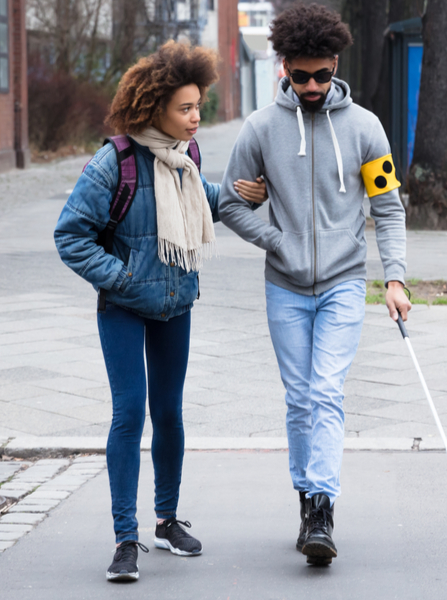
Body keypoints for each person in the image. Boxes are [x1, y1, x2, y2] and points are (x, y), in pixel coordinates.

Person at [54, 41, 268, 583]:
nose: (197, 118)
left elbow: (192, 200)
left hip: (176, 303)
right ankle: (125, 538)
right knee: (130, 414)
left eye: (199, 106)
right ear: (154, 109)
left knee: (168, 413)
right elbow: (70, 236)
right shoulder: (115, 162)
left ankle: (166, 520)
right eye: (186, 109)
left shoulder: (186, 157)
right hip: (124, 306)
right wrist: (122, 279)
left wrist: (238, 194)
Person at [218, 4, 412, 566]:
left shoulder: (365, 127)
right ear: (283, 68)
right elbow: (230, 203)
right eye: (298, 76)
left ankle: (322, 507)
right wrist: (273, 239)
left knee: (326, 391)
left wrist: (394, 277)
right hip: (284, 285)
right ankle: (307, 497)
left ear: (335, 65)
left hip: (344, 283)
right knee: (299, 398)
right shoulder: (259, 128)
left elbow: (389, 209)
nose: (309, 86)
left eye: (320, 75)